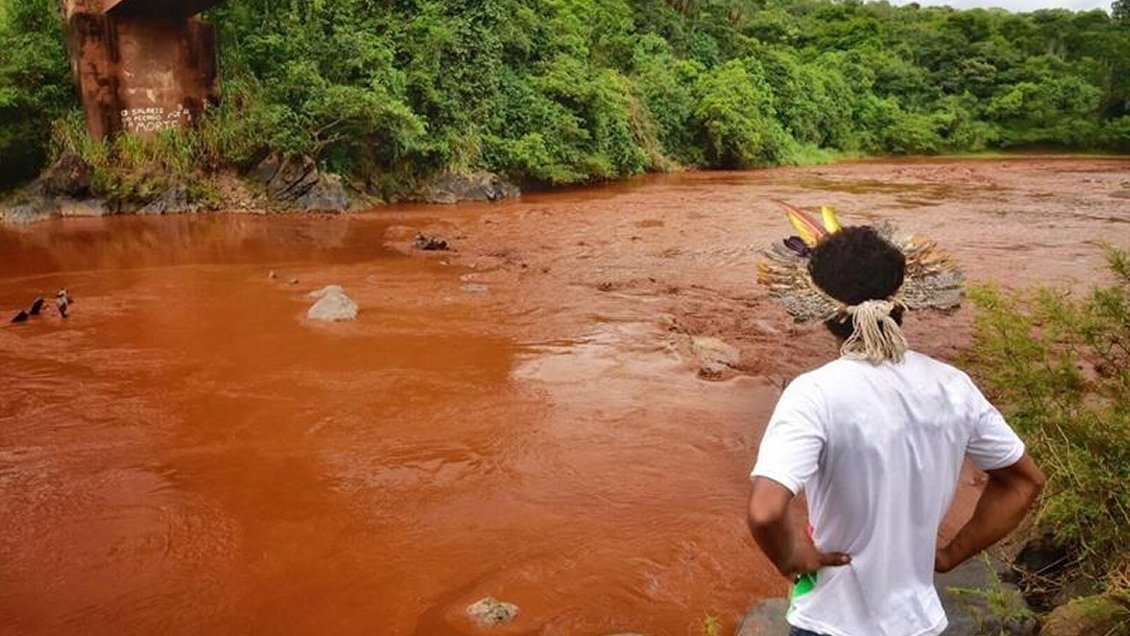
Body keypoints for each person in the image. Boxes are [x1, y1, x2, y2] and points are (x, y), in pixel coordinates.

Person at [748, 223, 1045, 636]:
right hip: (919, 622)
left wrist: (792, 556)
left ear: (823, 313)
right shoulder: (952, 386)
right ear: (902, 301)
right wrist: (947, 556)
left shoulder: (814, 393)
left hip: (831, 622)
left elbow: (765, 512)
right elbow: (1023, 482)